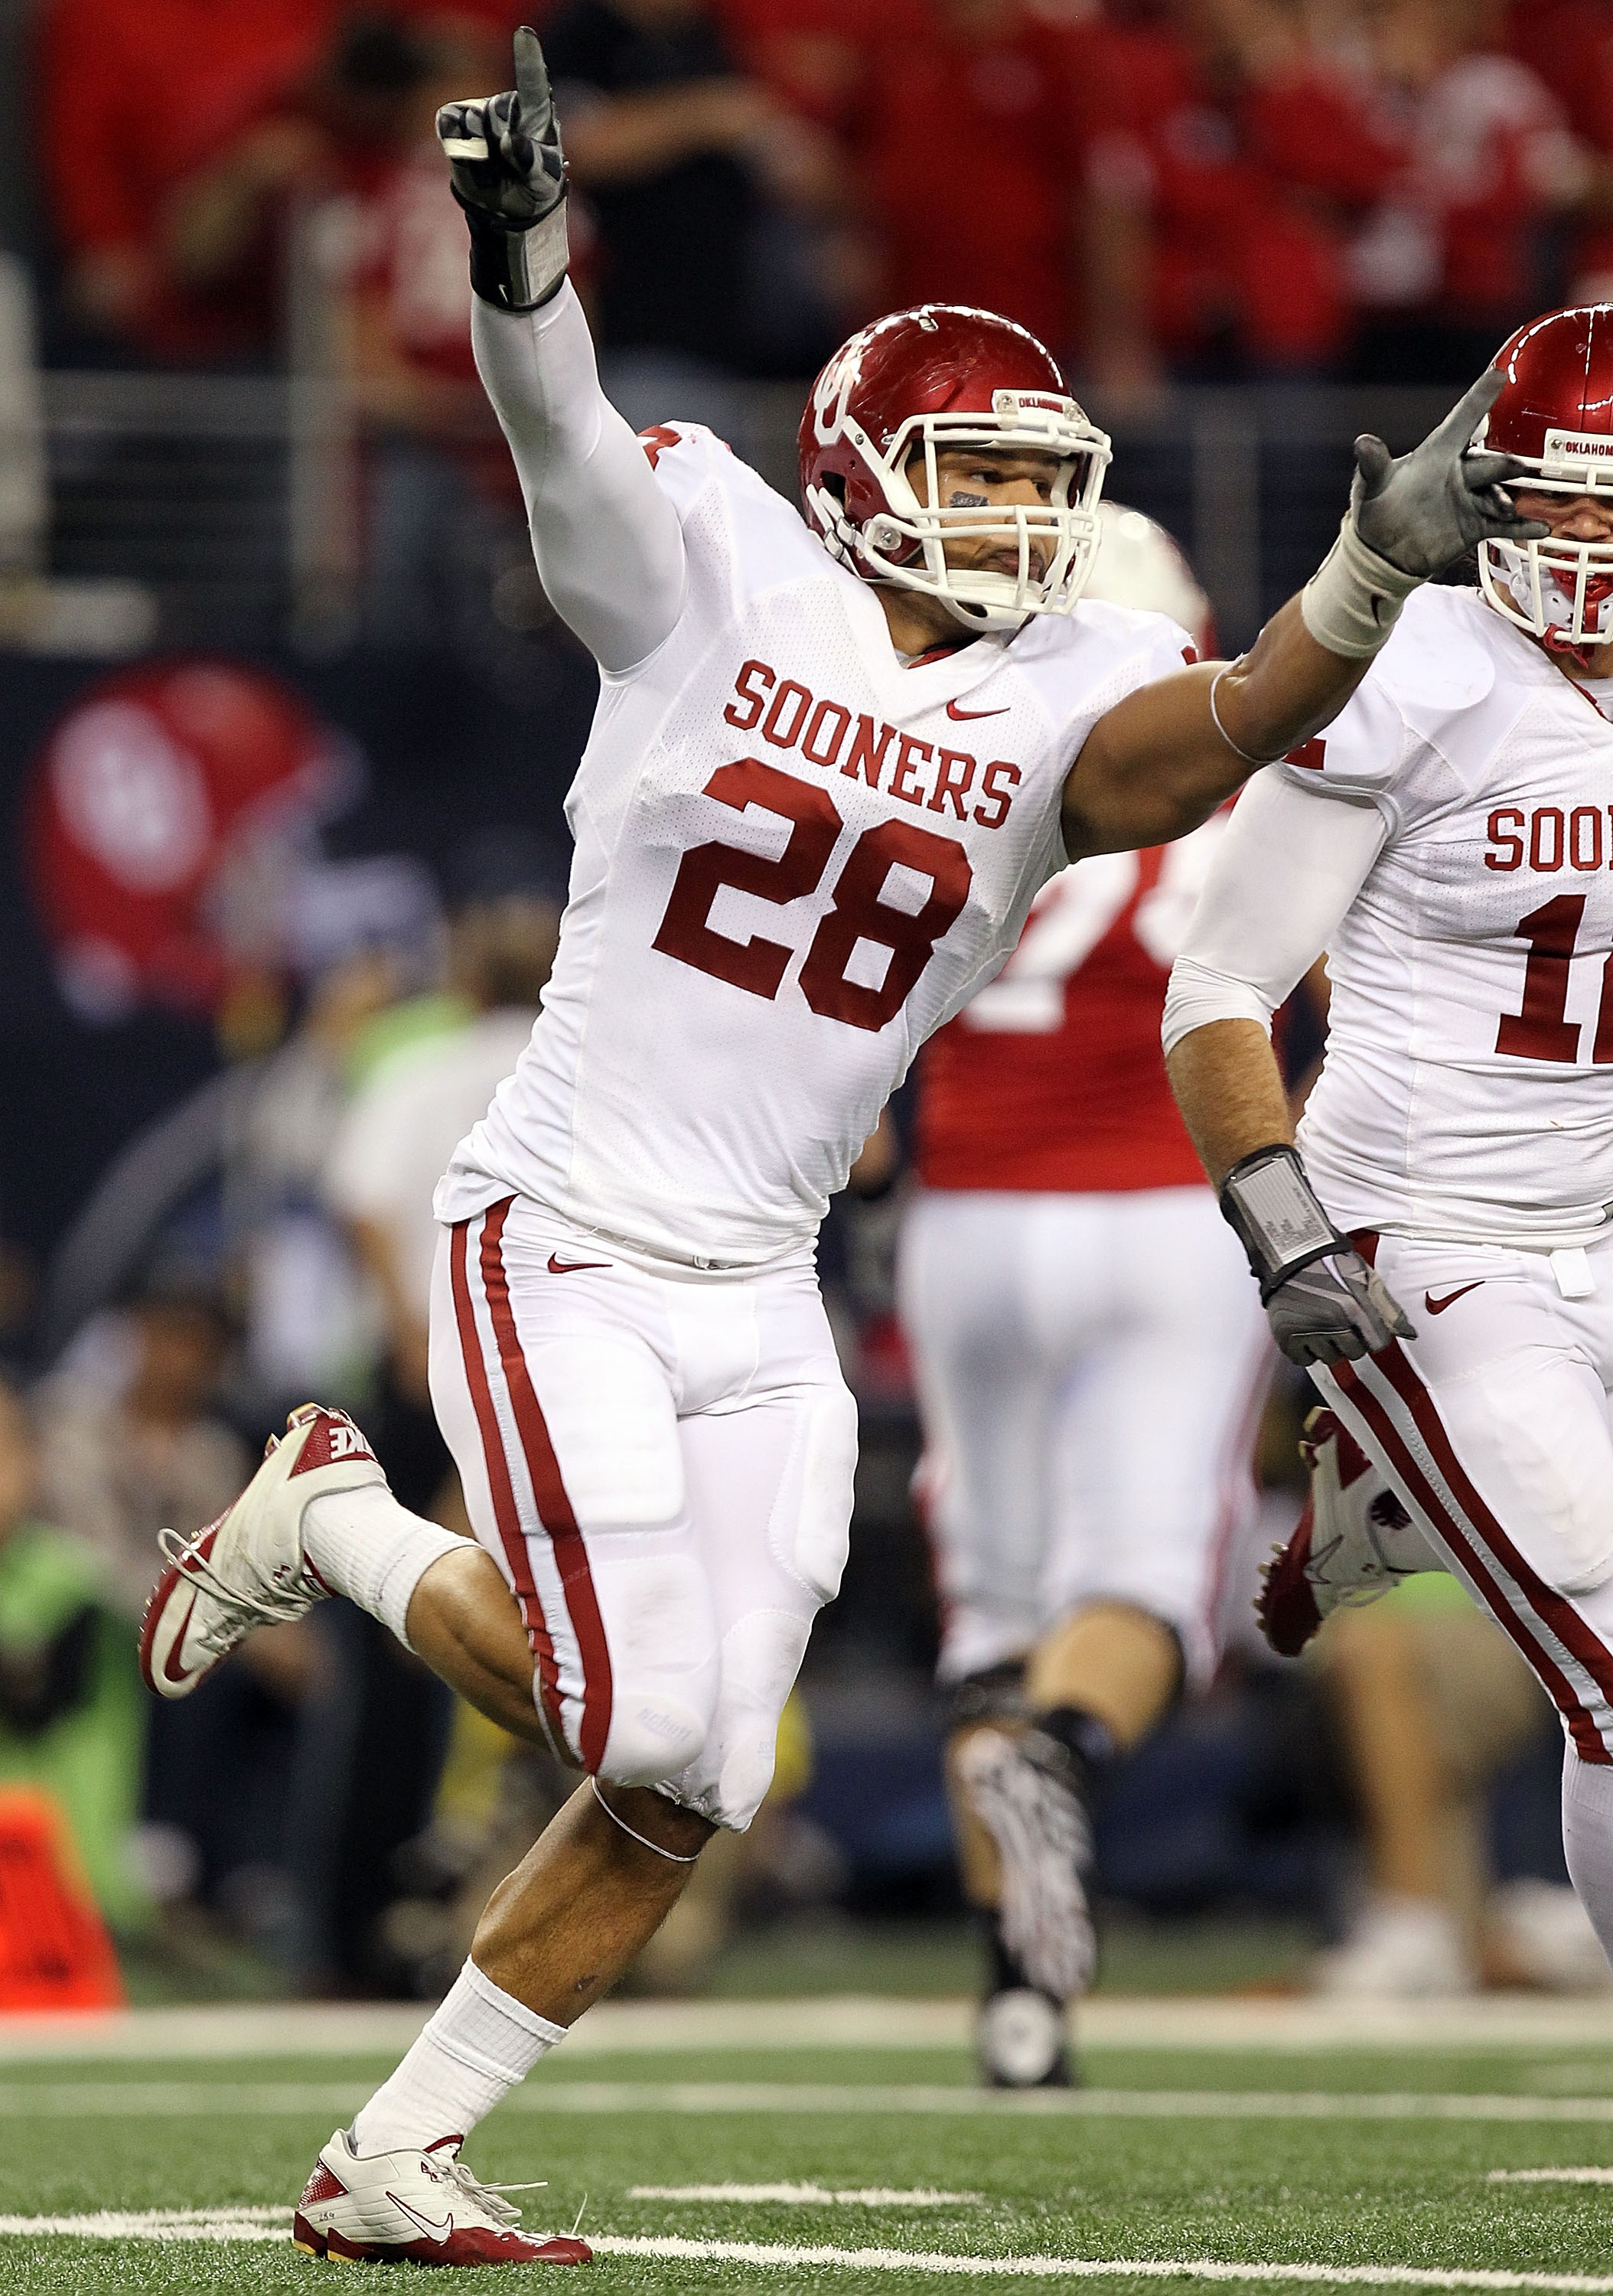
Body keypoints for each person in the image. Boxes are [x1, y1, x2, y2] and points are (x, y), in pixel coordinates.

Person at [138, 23, 1538, 2268]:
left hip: (762, 1282)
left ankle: (392, 2156)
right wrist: (520, 255)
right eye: (977, 478)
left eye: (1035, 480)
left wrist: (1366, 576)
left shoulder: (1068, 677)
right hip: (567, 1230)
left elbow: (1209, 745)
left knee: (690, 1772)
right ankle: (337, 1508)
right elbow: (560, 430)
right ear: (866, 469)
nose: (1021, 518)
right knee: (619, 1697)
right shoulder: (712, 565)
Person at [1162, 300, 1613, 2027]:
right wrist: (1284, 1228)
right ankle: (1395, 1443)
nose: (1586, 538)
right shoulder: (1408, 671)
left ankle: (1394, 1487)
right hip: (1428, 1231)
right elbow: (1218, 989)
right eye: (1557, 498)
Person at [897, 507, 1270, 2087]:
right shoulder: (1233, 770)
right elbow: (1297, 1006)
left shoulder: (937, 751)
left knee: (995, 1609)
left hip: (969, 1217)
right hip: (1162, 1208)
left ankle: (1019, 2001)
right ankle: (1063, 1755)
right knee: (1140, 1589)